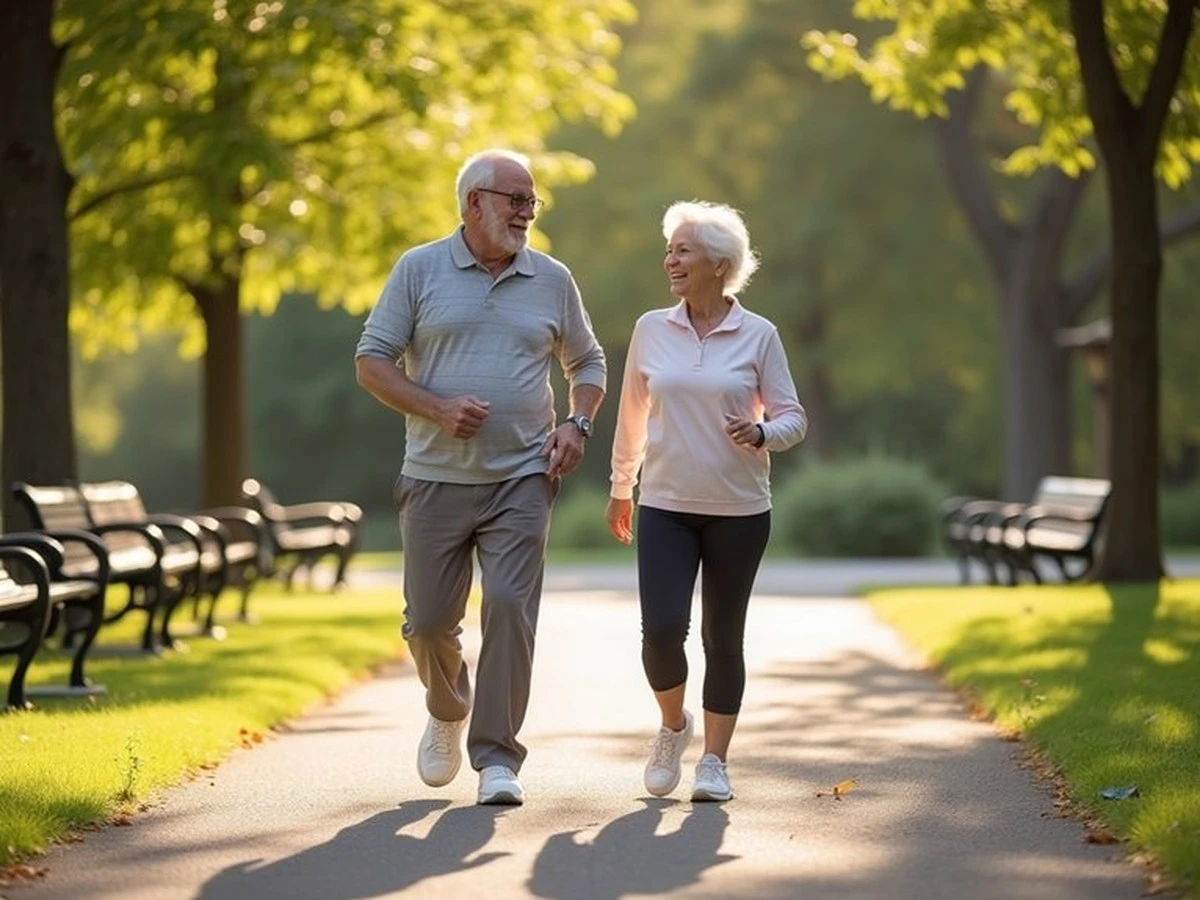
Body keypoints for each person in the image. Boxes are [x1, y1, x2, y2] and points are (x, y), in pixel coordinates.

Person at [355, 148, 606, 806]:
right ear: (473, 203)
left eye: (532, 202)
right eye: (514, 200)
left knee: (509, 610)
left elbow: (588, 362)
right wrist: (436, 408)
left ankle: (497, 757)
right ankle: (446, 708)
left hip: (524, 475)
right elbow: (372, 362)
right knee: (430, 623)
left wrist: (575, 426)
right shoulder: (419, 269)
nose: (526, 212)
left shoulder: (552, 278)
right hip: (434, 477)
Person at [605, 200, 806, 802]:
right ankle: (673, 727)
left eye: (682, 250)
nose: (670, 260)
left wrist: (764, 432)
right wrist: (622, 487)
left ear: (720, 265)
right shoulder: (650, 329)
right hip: (665, 502)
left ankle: (715, 762)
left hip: (740, 510)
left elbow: (794, 416)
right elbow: (632, 416)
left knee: (724, 637)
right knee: (662, 630)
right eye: (669, 250)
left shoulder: (759, 334)